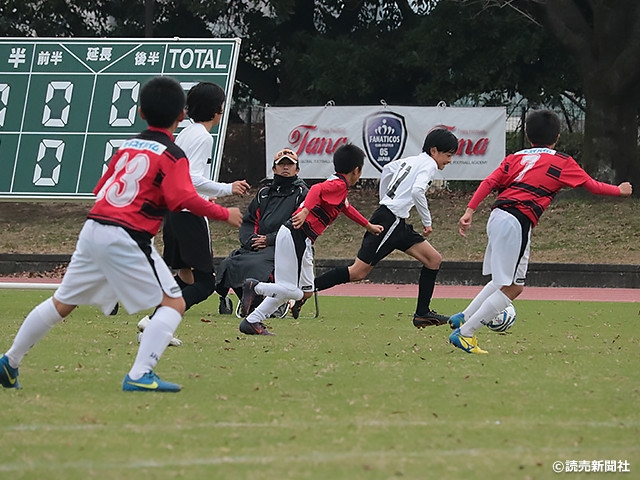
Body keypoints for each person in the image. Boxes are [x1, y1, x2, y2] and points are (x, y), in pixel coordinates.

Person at [0, 76, 242, 392]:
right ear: (180, 115)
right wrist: (225, 212)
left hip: (94, 227)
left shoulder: (127, 145)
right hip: (127, 234)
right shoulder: (173, 155)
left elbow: (101, 188)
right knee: (174, 302)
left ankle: (10, 361)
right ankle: (141, 374)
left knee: (62, 302)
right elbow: (183, 198)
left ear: (141, 112)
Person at [448, 109, 633, 354]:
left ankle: (464, 316)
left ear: (527, 134)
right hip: (517, 221)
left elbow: (489, 182)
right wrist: (619, 190)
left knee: (504, 281)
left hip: (498, 216)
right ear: (557, 136)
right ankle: (466, 333)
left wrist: (470, 210)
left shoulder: (515, 157)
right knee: (514, 287)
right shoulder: (561, 161)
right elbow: (592, 186)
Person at [306, 128, 458, 327]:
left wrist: (385, 199)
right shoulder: (429, 164)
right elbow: (418, 191)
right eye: (448, 155)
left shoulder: (412, 160)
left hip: (395, 220)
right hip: (390, 221)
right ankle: (303, 291)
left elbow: (387, 170)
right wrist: (427, 222)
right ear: (434, 150)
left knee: (433, 259)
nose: (449, 161)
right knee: (357, 272)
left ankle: (422, 314)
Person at [136, 81, 249, 346]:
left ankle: (153, 323)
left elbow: (182, 177)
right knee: (205, 283)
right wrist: (226, 189)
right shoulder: (202, 136)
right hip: (188, 215)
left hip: (175, 213)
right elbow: (193, 176)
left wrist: (203, 195)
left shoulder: (186, 133)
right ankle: (156, 323)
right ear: (217, 109)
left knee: (185, 277)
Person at [238, 143, 384, 335]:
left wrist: (368, 226)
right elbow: (316, 189)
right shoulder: (338, 184)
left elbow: (346, 208)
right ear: (357, 170)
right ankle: (255, 287)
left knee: (305, 291)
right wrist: (306, 209)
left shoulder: (339, 186)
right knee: (293, 291)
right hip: (295, 235)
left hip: (298, 237)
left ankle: (252, 321)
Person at [215, 148, 309, 314]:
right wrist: (251, 240)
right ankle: (251, 301)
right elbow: (249, 221)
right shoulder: (264, 193)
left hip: (288, 247)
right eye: (281, 164)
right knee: (229, 263)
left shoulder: (303, 194)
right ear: (274, 169)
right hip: (258, 246)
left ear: (297, 169)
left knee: (256, 265)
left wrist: (270, 239)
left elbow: (299, 225)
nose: (285, 167)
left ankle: (272, 301)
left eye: (290, 164)